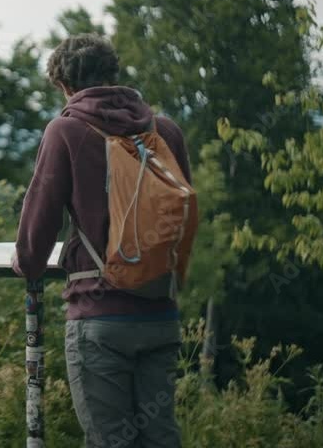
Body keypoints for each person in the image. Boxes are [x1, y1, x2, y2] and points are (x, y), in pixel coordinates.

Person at [12, 34, 191, 448]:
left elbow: (36, 239)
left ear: (64, 86)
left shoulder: (67, 131)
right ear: (113, 74)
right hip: (160, 313)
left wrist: (26, 263)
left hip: (99, 317)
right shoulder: (166, 131)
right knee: (161, 439)